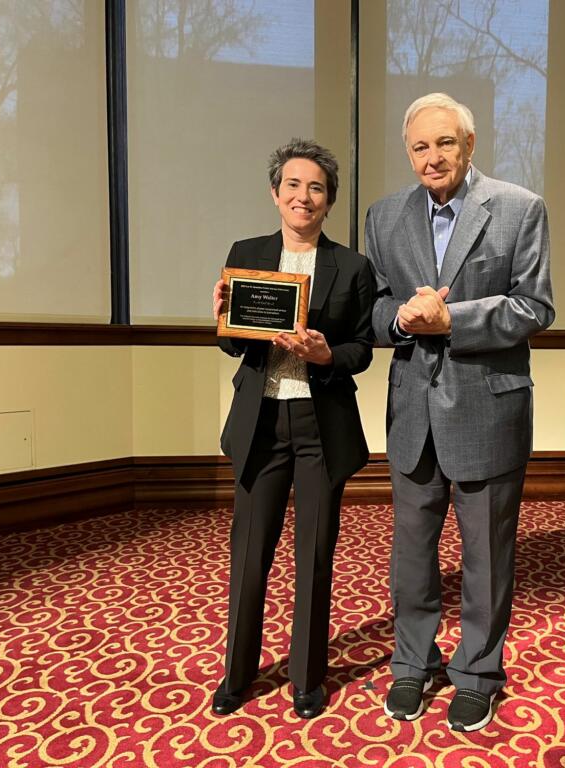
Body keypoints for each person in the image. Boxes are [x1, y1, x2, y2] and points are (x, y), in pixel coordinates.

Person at [365, 93, 554, 731]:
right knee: (411, 557)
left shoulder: (519, 208)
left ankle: (477, 671)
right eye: (420, 146)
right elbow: (376, 310)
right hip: (413, 416)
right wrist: (398, 318)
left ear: (469, 145)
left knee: (488, 558)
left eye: (444, 143)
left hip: (488, 411)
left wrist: (455, 319)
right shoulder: (384, 216)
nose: (432, 157)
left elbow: (535, 308)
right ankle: (411, 666)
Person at [210, 138, 375, 719]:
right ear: (275, 194)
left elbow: (363, 349)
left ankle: (307, 677)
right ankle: (237, 673)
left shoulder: (352, 266)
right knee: (250, 554)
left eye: (316, 188)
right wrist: (223, 320)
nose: (303, 197)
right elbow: (235, 343)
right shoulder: (247, 252)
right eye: (293, 186)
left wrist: (327, 354)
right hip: (260, 422)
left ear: (328, 200)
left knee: (314, 555)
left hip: (320, 422)